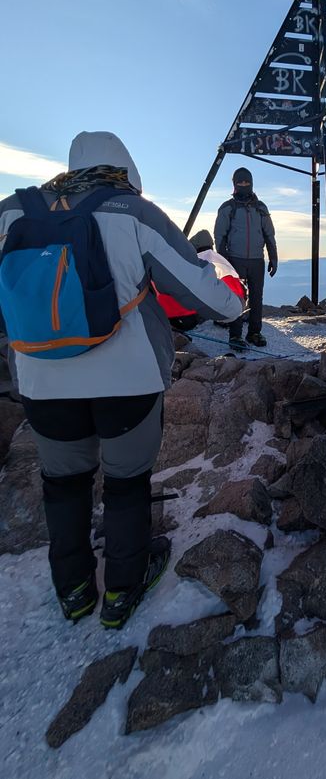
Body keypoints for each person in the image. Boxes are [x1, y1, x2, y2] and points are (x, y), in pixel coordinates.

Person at [0, 131, 243, 628]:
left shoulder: (11, 212)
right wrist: (236, 303)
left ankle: (73, 591)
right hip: (126, 378)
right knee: (127, 482)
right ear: (126, 169)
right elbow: (206, 293)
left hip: (43, 379)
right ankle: (122, 591)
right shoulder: (134, 212)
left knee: (63, 484)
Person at [214, 167, 277, 348]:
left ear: (251, 183)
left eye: (246, 182)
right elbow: (220, 236)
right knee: (237, 298)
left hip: (257, 260)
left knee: (257, 298)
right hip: (235, 259)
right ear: (234, 184)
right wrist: (224, 260)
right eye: (240, 182)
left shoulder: (261, 208)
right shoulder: (228, 208)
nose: (243, 185)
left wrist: (274, 258)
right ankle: (235, 336)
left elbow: (269, 235)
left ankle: (254, 333)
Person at [155, 230, 245, 332]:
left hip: (167, 314)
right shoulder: (220, 263)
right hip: (191, 316)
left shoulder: (183, 259)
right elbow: (236, 295)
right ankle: (235, 335)